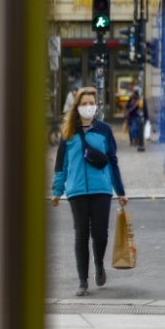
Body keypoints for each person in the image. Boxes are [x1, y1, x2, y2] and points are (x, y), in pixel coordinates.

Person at [51, 86, 128, 297]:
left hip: (101, 189)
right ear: (77, 107)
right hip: (76, 190)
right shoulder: (67, 133)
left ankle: (99, 264)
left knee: (100, 234)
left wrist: (120, 191)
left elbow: (112, 161)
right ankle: (83, 281)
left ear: (96, 106)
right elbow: (61, 165)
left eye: (91, 103)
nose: (88, 107)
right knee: (81, 234)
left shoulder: (104, 130)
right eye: (84, 104)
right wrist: (57, 190)